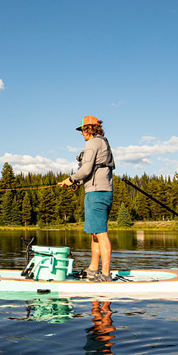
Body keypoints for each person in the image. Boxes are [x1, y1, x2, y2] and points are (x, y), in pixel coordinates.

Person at [59, 116, 115, 282]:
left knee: (101, 233)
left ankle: (105, 274)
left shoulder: (92, 143)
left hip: (97, 192)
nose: (82, 133)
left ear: (91, 129)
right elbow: (93, 170)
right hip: (101, 191)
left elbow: (86, 169)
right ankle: (92, 268)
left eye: (84, 129)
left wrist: (71, 179)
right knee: (95, 233)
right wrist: (78, 182)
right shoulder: (103, 142)